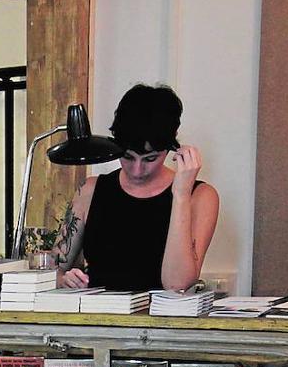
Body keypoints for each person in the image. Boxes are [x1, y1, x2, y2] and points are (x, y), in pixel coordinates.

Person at [56, 84, 220, 292]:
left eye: (150, 159)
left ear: (172, 146)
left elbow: (177, 284)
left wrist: (180, 194)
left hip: (162, 322)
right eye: (126, 156)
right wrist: (64, 279)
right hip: (96, 318)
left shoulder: (201, 196)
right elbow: (52, 269)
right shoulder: (90, 190)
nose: (137, 170)